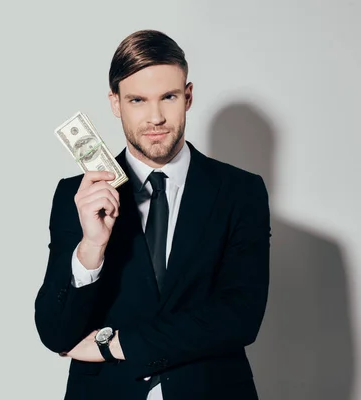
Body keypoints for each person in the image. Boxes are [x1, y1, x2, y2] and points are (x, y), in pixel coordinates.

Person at [34, 29, 270, 400]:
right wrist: (92, 247)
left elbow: (240, 317)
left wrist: (115, 344)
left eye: (169, 97)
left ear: (188, 96)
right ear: (115, 103)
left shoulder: (241, 191)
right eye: (138, 100)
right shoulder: (75, 195)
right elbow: (56, 334)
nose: (156, 117)